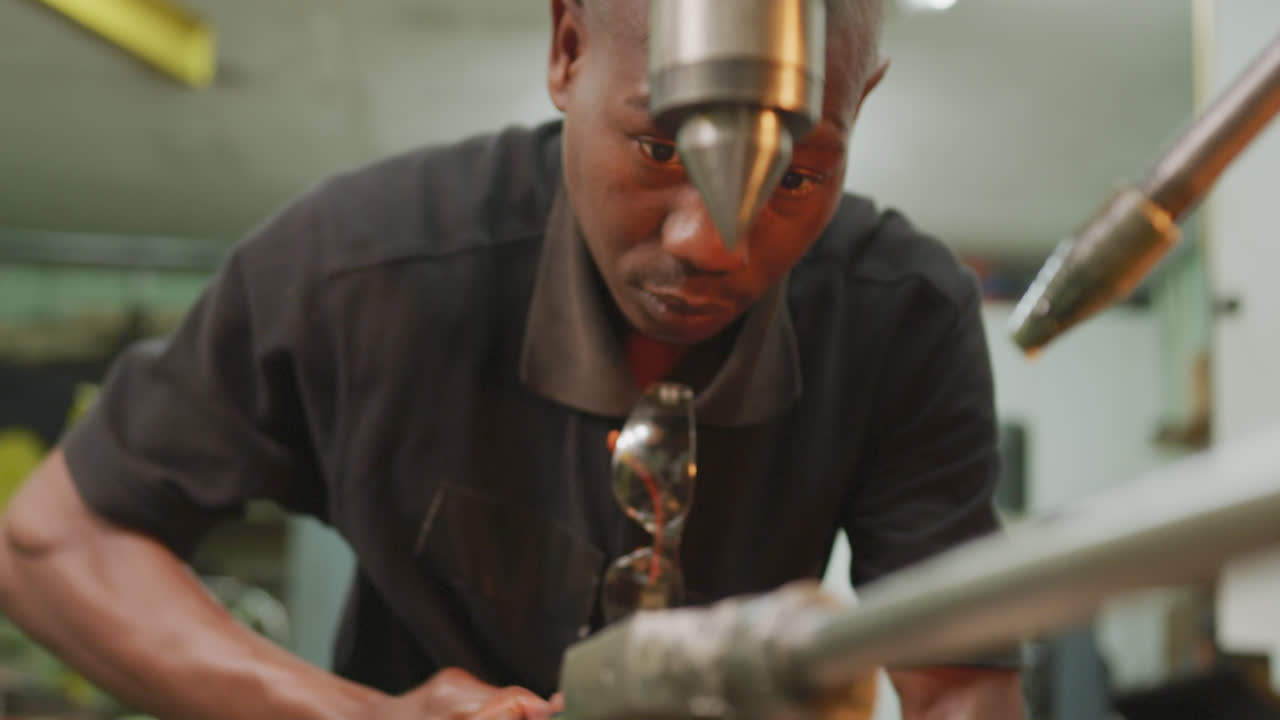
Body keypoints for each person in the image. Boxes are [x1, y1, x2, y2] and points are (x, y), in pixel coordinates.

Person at [0, 0, 1025, 718]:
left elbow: (958, 680)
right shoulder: (361, 269)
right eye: (664, 150)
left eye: (794, 177)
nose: (711, 243)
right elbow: (52, 541)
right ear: (568, 47)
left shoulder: (902, 315)